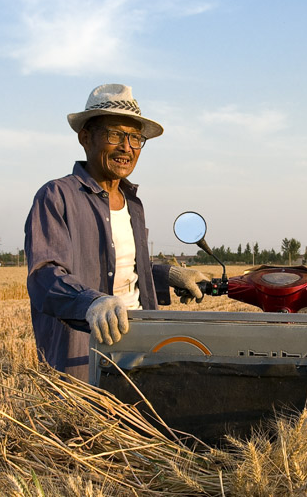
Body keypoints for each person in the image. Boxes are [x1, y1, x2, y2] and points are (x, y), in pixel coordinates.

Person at [24, 83, 208, 381]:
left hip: (139, 348)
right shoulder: (56, 197)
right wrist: (91, 302)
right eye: (114, 135)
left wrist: (170, 275)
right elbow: (45, 276)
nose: (126, 147)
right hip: (84, 354)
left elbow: (123, 266)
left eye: (135, 138)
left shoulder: (133, 203)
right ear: (86, 138)